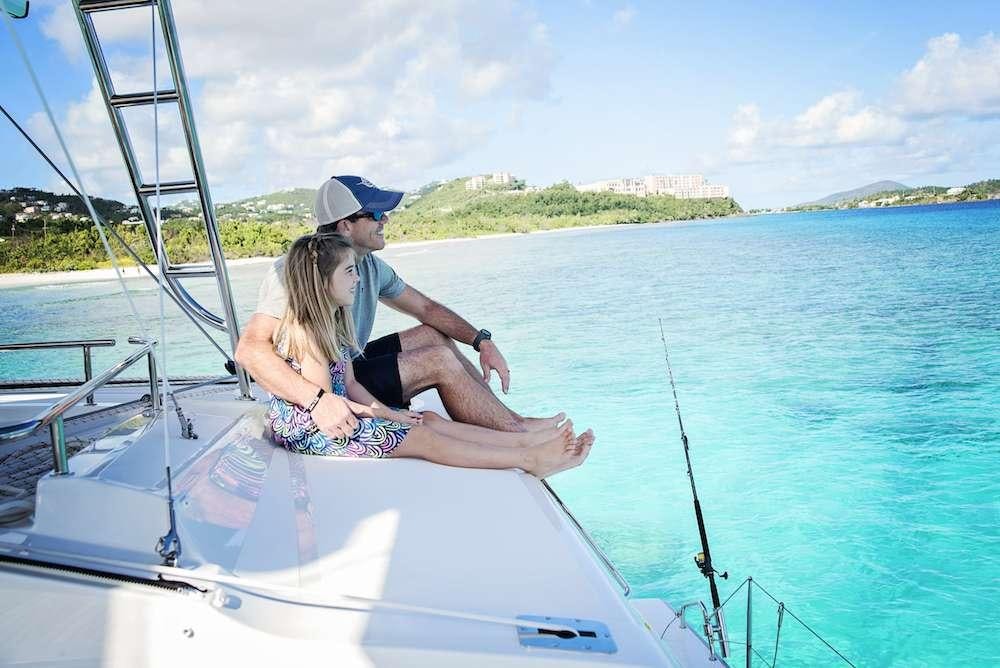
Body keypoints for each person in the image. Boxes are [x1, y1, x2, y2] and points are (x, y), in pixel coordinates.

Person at [236, 175, 561, 441]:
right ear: (345, 226)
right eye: (376, 214)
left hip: (347, 366)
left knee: (433, 336)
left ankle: (511, 420)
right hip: (323, 386)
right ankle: (515, 436)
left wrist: (482, 341)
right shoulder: (294, 271)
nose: (386, 219)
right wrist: (319, 402)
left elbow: (427, 309)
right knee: (439, 359)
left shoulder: (369, 266)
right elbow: (250, 351)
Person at [265, 233, 593, 478]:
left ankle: (523, 443)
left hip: (342, 411)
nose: (358, 278)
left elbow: (349, 383)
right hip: (316, 432)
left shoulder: (337, 321)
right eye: (349, 272)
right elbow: (328, 405)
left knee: (428, 419)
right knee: (424, 438)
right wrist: (386, 418)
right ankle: (529, 460)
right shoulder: (310, 335)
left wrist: (393, 415)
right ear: (324, 283)